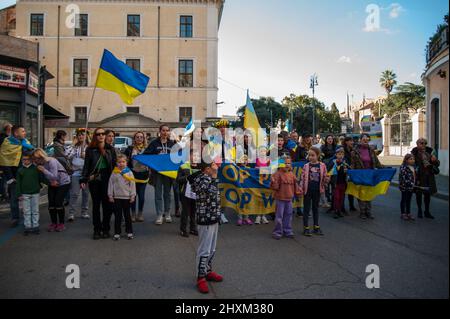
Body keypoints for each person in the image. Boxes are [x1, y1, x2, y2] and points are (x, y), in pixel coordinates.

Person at [189, 161, 223, 294]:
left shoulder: (210, 177)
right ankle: (200, 277)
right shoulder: (202, 179)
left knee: (212, 248)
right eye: (215, 165)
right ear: (207, 168)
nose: (218, 166)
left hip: (214, 217)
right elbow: (208, 191)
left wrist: (214, 177)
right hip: (205, 218)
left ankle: (207, 271)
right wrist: (214, 177)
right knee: (204, 249)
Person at [80, 128, 117, 240]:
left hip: (107, 177)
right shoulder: (90, 149)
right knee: (96, 205)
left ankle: (106, 228)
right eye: (98, 134)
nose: (101, 136)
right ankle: (97, 229)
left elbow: (113, 164)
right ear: (95, 136)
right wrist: (83, 179)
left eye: (103, 134)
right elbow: (86, 165)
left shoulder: (110, 149)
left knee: (107, 205)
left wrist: (103, 152)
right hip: (94, 178)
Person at [0, 125, 34, 227]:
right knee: (14, 198)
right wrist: (10, 178)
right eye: (22, 131)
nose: (25, 133)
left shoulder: (25, 143)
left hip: (27, 175)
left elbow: (32, 153)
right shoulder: (6, 143)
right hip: (14, 177)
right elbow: (4, 162)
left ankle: (30, 217)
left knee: (29, 196)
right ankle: (15, 218)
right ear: (16, 133)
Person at [32, 148, 71, 232]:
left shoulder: (51, 161)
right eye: (35, 159)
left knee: (58, 202)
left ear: (42, 156)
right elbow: (42, 178)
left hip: (63, 183)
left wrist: (44, 170)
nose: (36, 161)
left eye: (38, 158)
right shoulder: (38, 164)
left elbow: (54, 176)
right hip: (52, 184)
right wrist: (49, 183)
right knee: (51, 204)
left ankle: (61, 223)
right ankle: (53, 223)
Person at [144, 124, 175, 225]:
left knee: (167, 194)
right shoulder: (154, 143)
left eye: (167, 131)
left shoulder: (172, 143)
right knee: (158, 194)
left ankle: (167, 213)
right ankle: (159, 214)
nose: (165, 132)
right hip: (157, 173)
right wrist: (157, 155)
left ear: (169, 132)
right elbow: (146, 154)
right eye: (163, 130)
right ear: (160, 131)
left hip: (168, 172)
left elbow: (178, 156)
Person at [351, 133, 383, 219]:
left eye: (367, 139)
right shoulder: (355, 151)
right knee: (361, 193)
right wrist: (351, 174)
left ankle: (368, 212)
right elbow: (352, 164)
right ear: (360, 140)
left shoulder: (371, 150)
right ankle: (362, 212)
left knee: (369, 193)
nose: (365, 140)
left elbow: (376, 162)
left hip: (370, 175)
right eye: (364, 139)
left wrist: (384, 168)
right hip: (360, 175)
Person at [270, 156, 301, 240]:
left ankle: (287, 230)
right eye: (285, 163)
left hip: (289, 199)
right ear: (280, 164)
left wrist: (298, 192)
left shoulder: (292, 174)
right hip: (280, 199)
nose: (287, 165)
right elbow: (275, 187)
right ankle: (277, 232)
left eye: (288, 163)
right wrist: (273, 181)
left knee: (288, 215)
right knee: (279, 216)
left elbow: (295, 185)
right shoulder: (277, 174)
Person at [300, 147, 328, 237]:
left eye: (313, 155)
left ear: (318, 156)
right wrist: (301, 188)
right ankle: (306, 228)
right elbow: (302, 178)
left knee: (315, 208)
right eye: (309, 155)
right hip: (307, 191)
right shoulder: (306, 166)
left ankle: (316, 226)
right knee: (306, 209)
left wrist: (326, 179)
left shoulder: (322, 165)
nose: (311, 157)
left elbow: (325, 176)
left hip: (317, 190)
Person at [108, 154, 136, 241]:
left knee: (127, 216)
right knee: (118, 216)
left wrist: (132, 195)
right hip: (117, 197)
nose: (121, 164)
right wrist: (110, 195)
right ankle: (117, 232)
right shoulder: (114, 172)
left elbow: (132, 184)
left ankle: (129, 231)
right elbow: (111, 184)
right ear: (116, 163)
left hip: (127, 198)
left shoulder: (129, 172)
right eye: (119, 162)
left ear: (126, 163)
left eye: (123, 162)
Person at [411, 138, 440, 219]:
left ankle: (427, 211)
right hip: (419, 177)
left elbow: (437, 164)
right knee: (418, 194)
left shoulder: (431, 152)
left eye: (425, 143)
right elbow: (409, 162)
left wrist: (434, 161)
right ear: (417, 144)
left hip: (428, 176)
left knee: (427, 195)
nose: (424, 145)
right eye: (422, 143)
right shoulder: (414, 152)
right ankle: (419, 210)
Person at [124, 131, 150, 222]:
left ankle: (140, 213)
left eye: (141, 137)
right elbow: (125, 161)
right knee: (133, 195)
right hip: (133, 175)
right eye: (137, 137)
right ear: (134, 138)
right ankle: (133, 214)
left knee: (141, 196)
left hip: (143, 175)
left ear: (144, 139)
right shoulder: (129, 149)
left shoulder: (147, 149)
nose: (139, 139)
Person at [66, 128, 90, 221]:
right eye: (79, 135)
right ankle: (71, 213)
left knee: (86, 193)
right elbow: (67, 155)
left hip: (86, 173)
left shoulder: (90, 147)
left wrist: (86, 157)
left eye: (83, 135)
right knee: (74, 193)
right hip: (76, 173)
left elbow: (92, 160)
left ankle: (84, 212)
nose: (81, 136)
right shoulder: (74, 147)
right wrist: (72, 145)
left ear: (86, 136)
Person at [16, 151, 43, 235]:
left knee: (35, 210)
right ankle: (27, 227)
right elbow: (18, 183)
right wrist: (19, 194)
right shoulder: (20, 170)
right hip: (24, 194)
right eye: (24, 159)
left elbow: (41, 179)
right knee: (26, 211)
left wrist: (40, 186)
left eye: (27, 159)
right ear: (22, 160)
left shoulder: (36, 169)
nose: (25, 161)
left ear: (31, 160)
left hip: (35, 192)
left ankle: (35, 226)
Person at [176, 148, 199, 237]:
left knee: (194, 211)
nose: (195, 157)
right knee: (185, 212)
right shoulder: (183, 166)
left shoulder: (200, 167)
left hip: (196, 193)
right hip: (185, 193)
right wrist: (186, 178)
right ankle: (183, 229)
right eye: (193, 155)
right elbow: (178, 179)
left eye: (197, 155)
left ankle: (193, 228)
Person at [327, 148, 350, 219]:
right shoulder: (333, 162)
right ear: (336, 155)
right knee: (336, 197)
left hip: (343, 183)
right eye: (339, 154)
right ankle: (336, 211)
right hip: (336, 183)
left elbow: (349, 171)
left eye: (342, 154)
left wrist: (347, 171)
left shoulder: (345, 163)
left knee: (341, 198)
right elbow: (329, 172)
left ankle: (339, 211)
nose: (341, 156)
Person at [236, 155, 254, 226]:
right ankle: (240, 218)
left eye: (246, 159)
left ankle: (246, 218)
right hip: (240, 189)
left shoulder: (250, 169)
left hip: (248, 189)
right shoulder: (237, 169)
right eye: (242, 159)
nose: (244, 161)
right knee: (240, 203)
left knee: (247, 203)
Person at [255, 146, 270, 225]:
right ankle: (258, 216)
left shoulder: (268, 160)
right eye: (261, 151)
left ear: (266, 152)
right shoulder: (256, 160)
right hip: (258, 182)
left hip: (266, 182)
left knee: (265, 198)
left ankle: (264, 215)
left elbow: (271, 169)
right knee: (258, 198)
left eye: (264, 151)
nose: (262, 152)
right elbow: (253, 170)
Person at [399, 154, 416, 221]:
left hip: (411, 187)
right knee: (404, 200)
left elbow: (414, 176)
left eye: (413, 159)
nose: (412, 160)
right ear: (406, 160)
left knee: (409, 200)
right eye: (410, 159)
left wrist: (414, 183)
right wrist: (410, 183)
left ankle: (408, 213)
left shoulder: (413, 167)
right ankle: (403, 213)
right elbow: (403, 177)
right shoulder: (403, 167)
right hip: (404, 186)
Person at [342, 136, 357, 212]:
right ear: (346, 142)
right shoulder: (342, 150)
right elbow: (342, 159)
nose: (352, 142)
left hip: (351, 172)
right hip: (343, 171)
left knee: (351, 189)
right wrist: (347, 165)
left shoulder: (353, 150)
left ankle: (351, 206)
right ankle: (342, 207)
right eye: (350, 141)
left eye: (352, 141)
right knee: (344, 189)